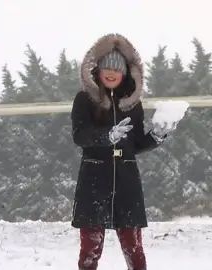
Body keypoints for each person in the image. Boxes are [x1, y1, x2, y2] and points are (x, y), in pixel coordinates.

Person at [70, 33, 177, 270]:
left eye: (116, 68)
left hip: (126, 182)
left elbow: (136, 144)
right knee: (91, 246)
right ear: (96, 70)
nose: (111, 72)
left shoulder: (133, 104)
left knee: (133, 246)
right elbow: (80, 136)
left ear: (126, 73)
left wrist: (157, 136)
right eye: (106, 67)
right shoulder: (84, 100)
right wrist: (107, 136)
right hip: (94, 181)